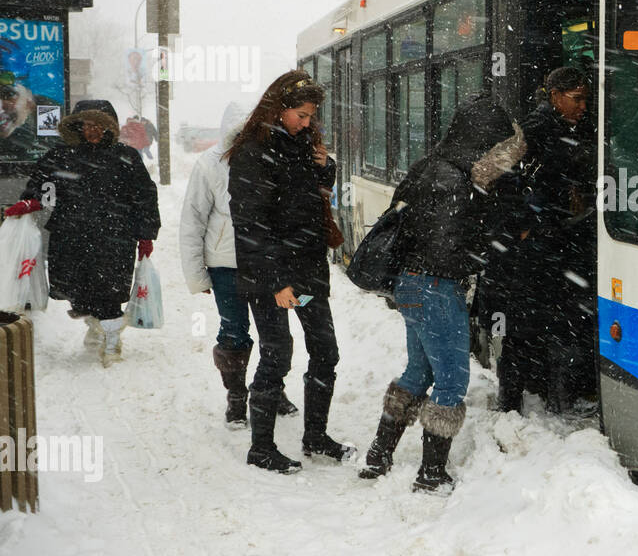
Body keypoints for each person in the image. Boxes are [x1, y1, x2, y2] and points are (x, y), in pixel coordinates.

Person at [358, 93, 525, 492]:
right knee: (451, 379)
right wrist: (488, 246)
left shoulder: (430, 167)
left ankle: (378, 456)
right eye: (499, 151)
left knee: (419, 371)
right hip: (435, 287)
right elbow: (447, 247)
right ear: (484, 142)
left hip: (412, 285)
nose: (501, 161)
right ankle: (431, 473)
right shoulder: (454, 181)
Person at [226, 70, 348, 474]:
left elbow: (312, 203)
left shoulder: (302, 146)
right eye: (301, 114)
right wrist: (277, 281)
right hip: (272, 278)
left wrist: (324, 169)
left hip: (308, 272)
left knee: (325, 349)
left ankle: (316, 435)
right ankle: (261, 447)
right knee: (277, 354)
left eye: (311, 116)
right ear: (278, 109)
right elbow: (251, 224)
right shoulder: (252, 152)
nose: (307, 122)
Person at [2, 99, 160, 366]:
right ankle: (96, 323)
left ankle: (111, 344)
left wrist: (145, 234)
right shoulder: (60, 156)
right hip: (70, 238)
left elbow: (145, 197)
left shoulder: (126, 158)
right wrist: (29, 201)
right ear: (77, 126)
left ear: (109, 127)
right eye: (87, 125)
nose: (93, 131)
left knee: (109, 293)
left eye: (99, 125)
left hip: (114, 239)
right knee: (79, 294)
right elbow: (41, 183)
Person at [180, 102, 298, 428]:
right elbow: (193, 221)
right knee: (234, 330)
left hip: (265, 263)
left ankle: (271, 388)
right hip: (225, 265)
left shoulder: (273, 160)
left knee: (273, 332)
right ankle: (236, 396)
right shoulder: (210, 164)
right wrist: (197, 274)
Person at [492, 66, 596, 414]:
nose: (583, 107)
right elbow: (491, 173)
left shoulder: (561, 127)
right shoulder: (536, 128)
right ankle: (511, 402)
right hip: (533, 246)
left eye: (586, 99)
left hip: (551, 241)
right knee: (524, 325)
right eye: (577, 99)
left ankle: (542, 393)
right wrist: (522, 225)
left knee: (547, 322)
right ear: (555, 96)